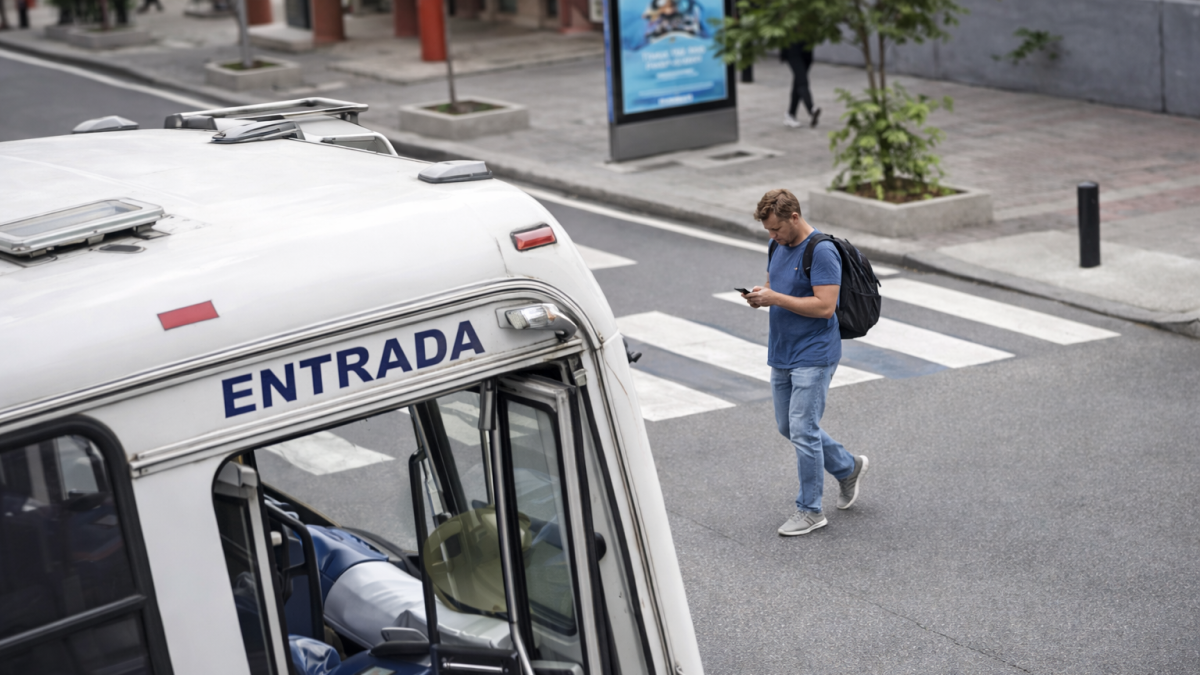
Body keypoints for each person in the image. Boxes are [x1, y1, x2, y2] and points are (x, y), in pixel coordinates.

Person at [743, 189, 868, 536]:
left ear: (794, 218)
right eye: (768, 231)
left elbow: (825, 306)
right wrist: (760, 297)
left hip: (814, 353)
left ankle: (811, 510)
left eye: (776, 229)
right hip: (782, 350)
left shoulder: (822, 251)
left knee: (802, 428)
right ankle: (847, 467)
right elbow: (774, 286)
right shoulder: (776, 246)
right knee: (790, 427)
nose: (772, 236)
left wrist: (776, 298)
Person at [781, 42, 820, 128]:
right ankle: (811, 109)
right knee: (802, 81)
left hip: (806, 49)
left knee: (798, 81)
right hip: (792, 48)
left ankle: (790, 115)